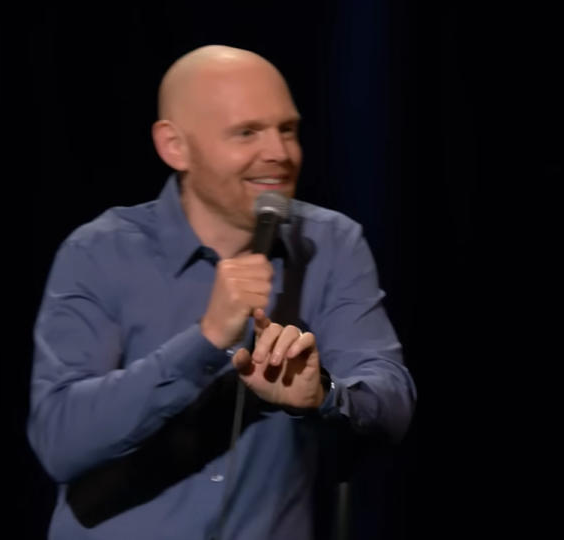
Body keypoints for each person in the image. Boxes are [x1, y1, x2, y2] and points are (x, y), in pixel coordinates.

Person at [27, 44, 416, 540]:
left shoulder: (332, 245)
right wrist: (205, 340)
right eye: (247, 132)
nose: (278, 152)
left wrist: (323, 394)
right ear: (175, 146)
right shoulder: (99, 252)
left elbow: (391, 401)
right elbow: (61, 440)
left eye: (288, 129)